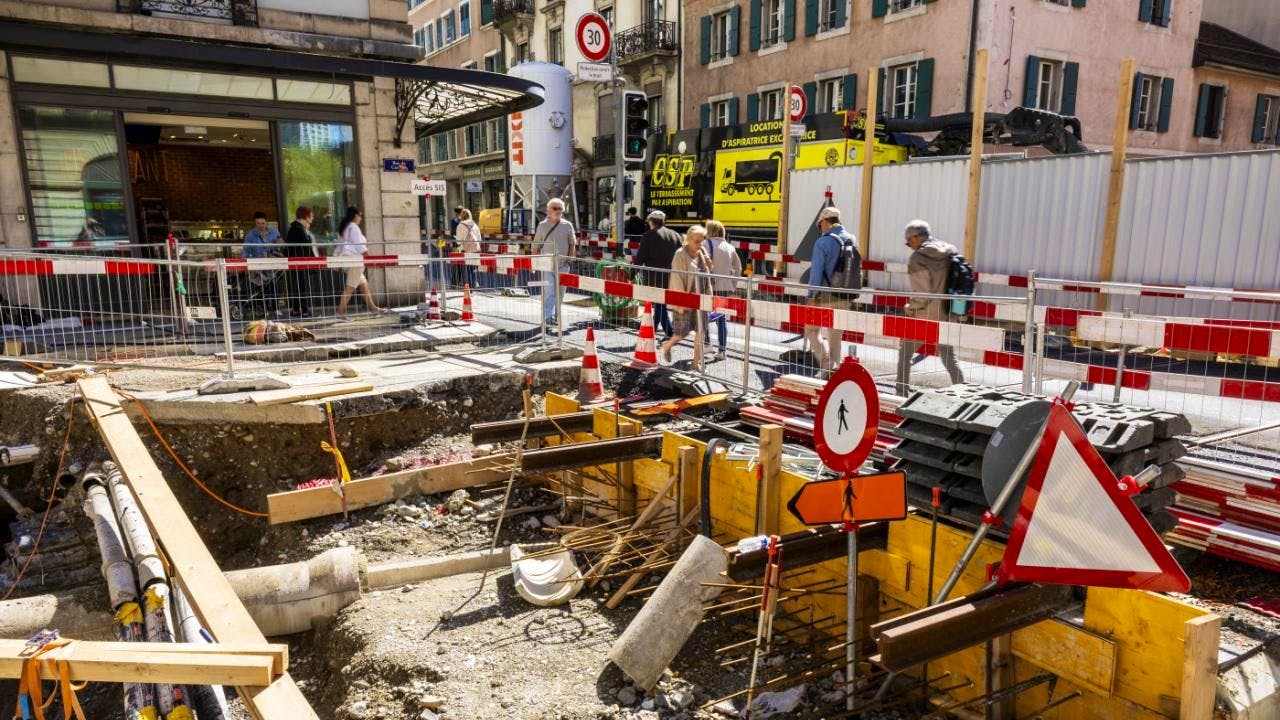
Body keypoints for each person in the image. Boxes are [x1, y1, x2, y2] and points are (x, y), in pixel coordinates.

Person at [896, 219, 965, 394]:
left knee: (905, 353)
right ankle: (964, 392)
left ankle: (901, 392)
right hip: (949, 312)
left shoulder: (918, 257)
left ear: (915, 238)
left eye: (908, 241)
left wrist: (909, 309)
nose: (909, 246)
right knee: (949, 357)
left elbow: (922, 293)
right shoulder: (951, 251)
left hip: (925, 315)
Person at [805, 207, 855, 377]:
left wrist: (811, 296)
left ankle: (826, 363)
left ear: (825, 222)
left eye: (820, 225)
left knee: (811, 329)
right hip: (845, 295)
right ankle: (834, 370)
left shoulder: (823, 242)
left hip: (825, 296)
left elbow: (816, 272)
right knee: (835, 334)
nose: (821, 229)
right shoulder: (851, 239)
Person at [661, 225, 713, 366]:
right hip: (685, 299)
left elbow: (706, 275)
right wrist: (681, 301)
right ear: (688, 239)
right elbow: (676, 278)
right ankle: (667, 345)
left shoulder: (702, 252)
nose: (700, 244)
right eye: (697, 241)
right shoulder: (680, 254)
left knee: (700, 331)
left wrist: (709, 297)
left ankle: (696, 363)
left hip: (701, 299)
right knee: (681, 333)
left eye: (702, 240)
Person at [634, 210, 682, 339]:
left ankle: (669, 331)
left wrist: (632, 273)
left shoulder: (649, 235)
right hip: (671, 276)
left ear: (651, 221)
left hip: (654, 276)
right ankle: (654, 328)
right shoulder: (675, 235)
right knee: (661, 303)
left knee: (659, 303)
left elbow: (640, 258)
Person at [334, 206, 385, 320]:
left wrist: (336, 261)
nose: (361, 218)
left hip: (349, 261)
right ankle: (340, 313)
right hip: (355, 261)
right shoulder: (353, 227)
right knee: (350, 288)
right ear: (355, 216)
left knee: (364, 285)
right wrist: (369, 258)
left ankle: (373, 308)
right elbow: (360, 246)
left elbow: (339, 246)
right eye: (360, 215)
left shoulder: (344, 227)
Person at [703, 220, 742, 362]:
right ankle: (722, 351)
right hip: (725, 288)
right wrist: (733, 284)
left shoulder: (705, 244)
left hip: (709, 287)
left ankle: (706, 343)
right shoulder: (730, 247)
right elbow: (738, 268)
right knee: (721, 319)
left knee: (702, 315)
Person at [532, 198, 575, 325]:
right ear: (548, 210)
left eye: (560, 209)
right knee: (550, 290)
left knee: (560, 292)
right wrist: (534, 263)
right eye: (555, 208)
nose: (558, 211)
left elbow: (572, 244)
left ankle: (556, 315)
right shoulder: (542, 226)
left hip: (563, 265)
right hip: (546, 264)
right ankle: (548, 317)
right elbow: (536, 246)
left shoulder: (568, 225)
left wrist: (570, 259)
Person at [244, 211, 283, 317]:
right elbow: (246, 253)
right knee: (262, 288)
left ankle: (275, 308)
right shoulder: (250, 236)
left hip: (273, 264)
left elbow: (280, 246)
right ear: (255, 223)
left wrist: (280, 244)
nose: (261, 225)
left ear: (267, 222)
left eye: (263, 223)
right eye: (258, 223)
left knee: (275, 286)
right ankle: (265, 309)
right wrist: (247, 264)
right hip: (259, 266)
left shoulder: (274, 232)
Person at [284, 206, 318, 317]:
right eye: (311, 216)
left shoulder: (296, 228)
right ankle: (303, 310)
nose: (312, 218)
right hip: (299, 262)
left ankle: (298, 309)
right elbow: (304, 246)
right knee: (300, 286)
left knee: (298, 286)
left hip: (297, 263)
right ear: (306, 216)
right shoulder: (299, 229)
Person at [454, 208, 481, 289]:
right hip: (475, 249)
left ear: (461, 216)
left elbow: (458, 241)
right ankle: (474, 284)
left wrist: (461, 245)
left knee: (466, 269)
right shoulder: (475, 225)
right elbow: (479, 238)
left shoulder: (460, 226)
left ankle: (468, 288)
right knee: (473, 268)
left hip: (465, 250)